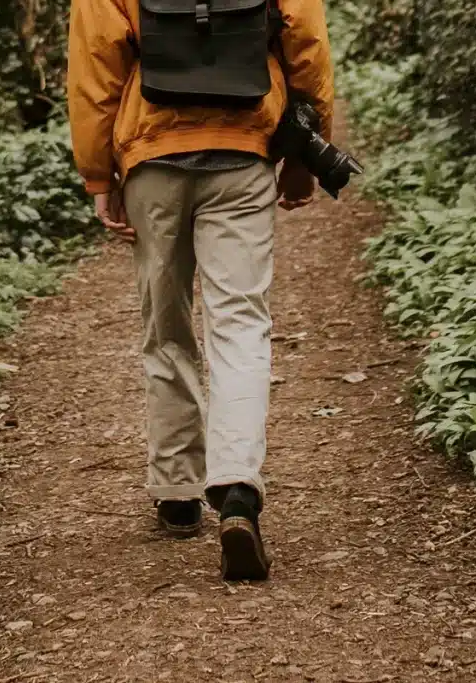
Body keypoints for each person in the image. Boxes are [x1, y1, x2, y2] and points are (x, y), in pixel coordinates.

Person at [67, 0, 334, 581]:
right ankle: (237, 490)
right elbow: (307, 46)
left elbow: (96, 67)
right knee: (239, 323)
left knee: (166, 326)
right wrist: (305, 154)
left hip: (151, 159)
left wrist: (97, 174)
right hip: (244, 153)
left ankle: (178, 491)